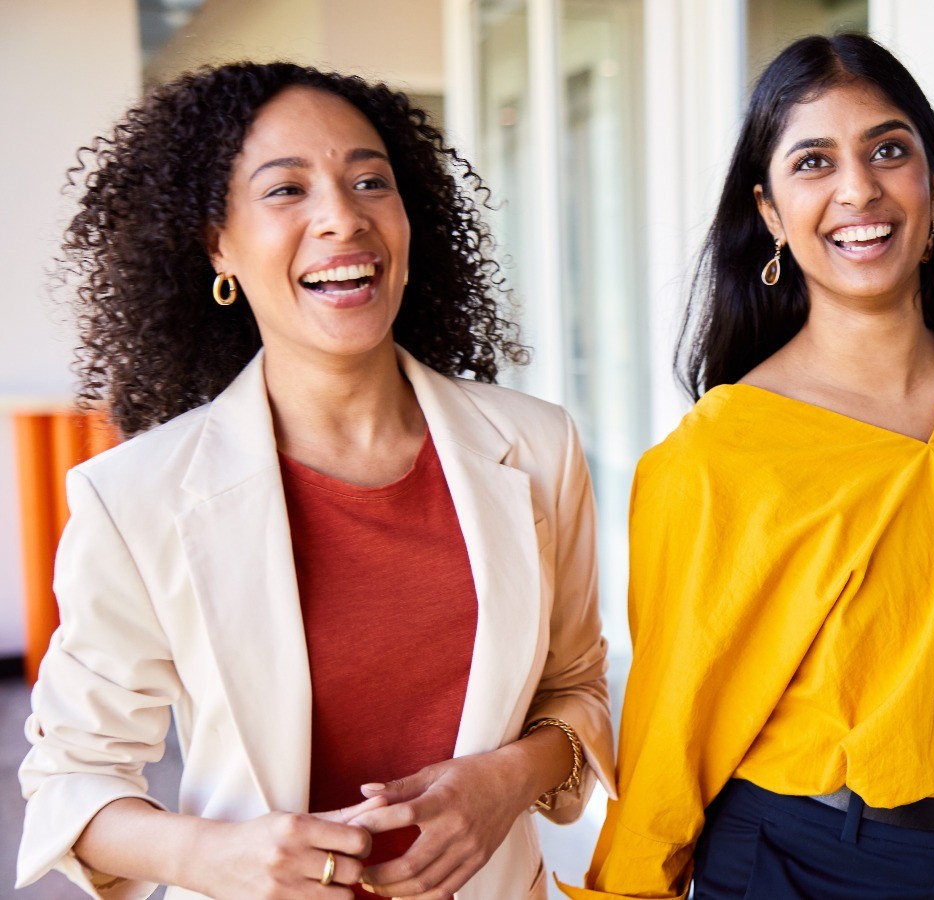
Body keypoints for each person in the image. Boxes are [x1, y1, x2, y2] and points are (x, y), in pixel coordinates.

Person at [561, 34, 934, 900]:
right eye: (813, 161)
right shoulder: (718, 454)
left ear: (933, 187)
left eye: (888, 150)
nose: (858, 189)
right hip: (799, 861)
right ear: (769, 214)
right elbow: (669, 729)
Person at [17, 62, 615, 900]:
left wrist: (508, 780)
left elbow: (576, 687)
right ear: (217, 243)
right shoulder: (135, 495)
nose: (343, 218)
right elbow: (73, 780)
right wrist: (213, 857)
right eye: (285, 190)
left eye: (370, 181)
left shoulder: (536, 445)